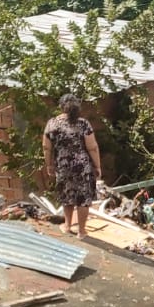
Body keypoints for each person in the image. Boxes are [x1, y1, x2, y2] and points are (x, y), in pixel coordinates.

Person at [43, 93, 103, 238]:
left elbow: (46, 147)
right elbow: (92, 147)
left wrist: (49, 165)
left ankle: (68, 226)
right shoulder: (83, 123)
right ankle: (81, 231)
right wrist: (98, 166)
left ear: (61, 106)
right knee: (83, 199)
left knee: (67, 195)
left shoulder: (52, 123)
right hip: (82, 166)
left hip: (63, 166)